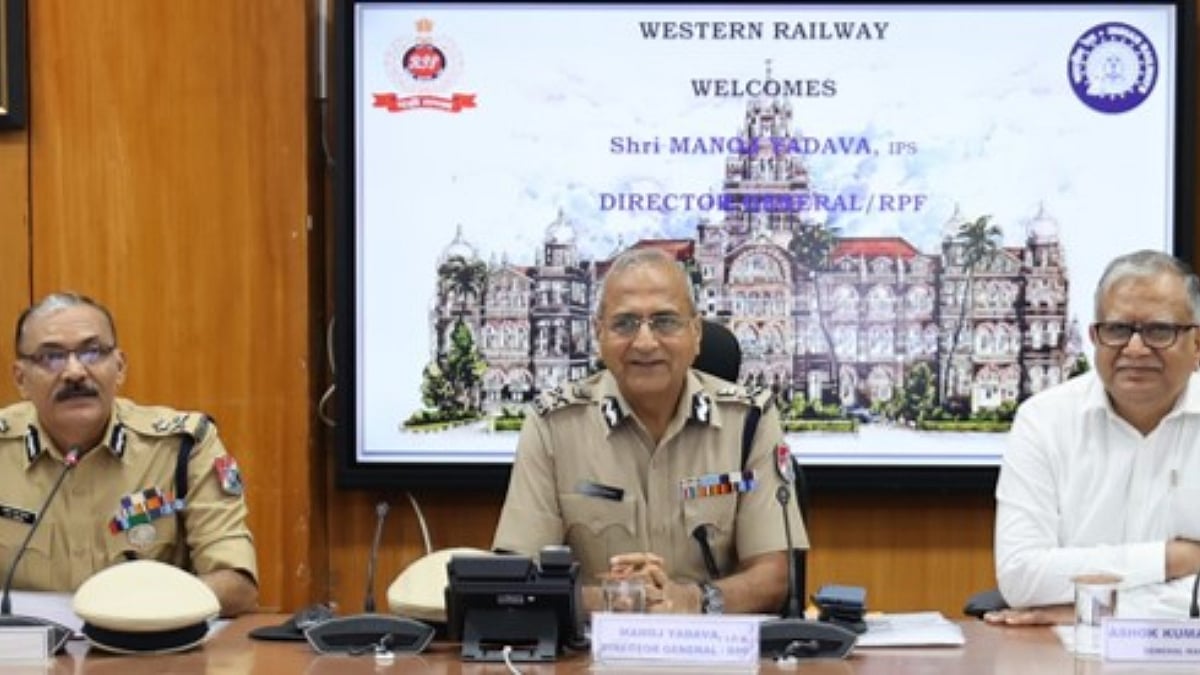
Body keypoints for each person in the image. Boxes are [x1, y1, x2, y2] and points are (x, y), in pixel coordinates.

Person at [493, 247, 807, 614]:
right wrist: (620, 600)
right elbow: (519, 580)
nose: (644, 342)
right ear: (599, 334)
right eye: (624, 323)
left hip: (715, 653)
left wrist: (692, 601)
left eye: (665, 322)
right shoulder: (553, 424)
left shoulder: (749, 420)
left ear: (696, 333)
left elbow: (774, 576)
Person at [0, 292, 258, 617]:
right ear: (21, 379)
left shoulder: (182, 446)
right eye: (52, 356)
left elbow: (237, 585)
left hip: (151, 654)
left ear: (119, 367)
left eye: (93, 352)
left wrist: (132, 614)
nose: (75, 372)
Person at [987, 250, 1200, 625]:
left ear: (1196, 344)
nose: (1135, 349)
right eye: (1118, 330)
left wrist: (1090, 609)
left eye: (1159, 331)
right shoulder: (1044, 420)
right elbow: (1022, 576)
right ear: (1094, 338)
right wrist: (1176, 559)